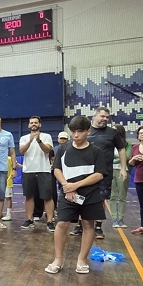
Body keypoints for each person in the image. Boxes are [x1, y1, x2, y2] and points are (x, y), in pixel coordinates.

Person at [45, 115, 110, 275]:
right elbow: (57, 169)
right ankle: (58, 259)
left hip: (91, 195)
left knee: (88, 225)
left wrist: (76, 185)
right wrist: (67, 187)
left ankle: (82, 260)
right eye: (73, 131)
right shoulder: (62, 149)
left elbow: (99, 174)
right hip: (67, 195)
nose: (75, 135)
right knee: (61, 224)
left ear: (88, 131)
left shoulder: (96, 152)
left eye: (80, 131)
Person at [82, 107, 126, 240]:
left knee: (101, 199)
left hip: (104, 172)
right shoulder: (85, 130)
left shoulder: (112, 133)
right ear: (94, 116)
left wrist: (123, 168)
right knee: (82, 198)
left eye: (107, 117)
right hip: (85, 172)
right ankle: (80, 225)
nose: (105, 119)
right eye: (102, 116)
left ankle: (98, 227)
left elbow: (122, 149)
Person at [19, 116, 54, 230]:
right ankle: (29, 220)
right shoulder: (24, 138)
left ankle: (50, 221)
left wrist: (38, 140)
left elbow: (47, 150)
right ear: (28, 125)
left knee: (47, 197)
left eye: (35, 123)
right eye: (31, 123)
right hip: (29, 170)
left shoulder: (46, 136)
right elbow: (22, 151)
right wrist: (30, 140)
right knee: (29, 196)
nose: (33, 124)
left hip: (44, 170)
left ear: (40, 124)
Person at [108, 124, 130, 229]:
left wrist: (121, 159)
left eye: (115, 130)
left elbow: (128, 156)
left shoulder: (127, 144)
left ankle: (120, 219)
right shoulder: (108, 143)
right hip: (109, 170)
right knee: (111, 196)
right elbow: (107, 157)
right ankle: (114, 219)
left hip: (122, 170)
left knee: (122, 196)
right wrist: (121, 158)